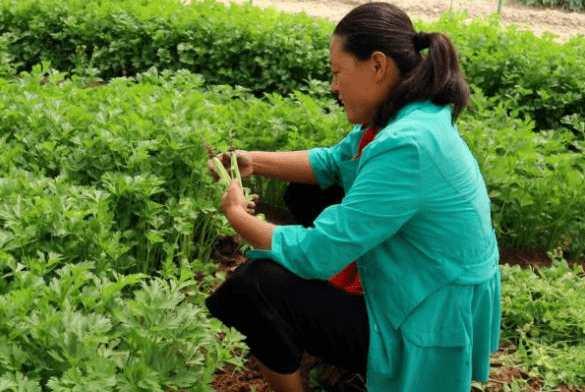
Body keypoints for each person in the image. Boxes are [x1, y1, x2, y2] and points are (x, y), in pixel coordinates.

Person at [205, 2, 501, 392]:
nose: (333, 86)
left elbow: (316, 253)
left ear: (378, 66)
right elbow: (332, 163)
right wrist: (253, 162)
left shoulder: (407, 145)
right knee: (309, 191)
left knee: (252, 287)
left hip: (427, 317)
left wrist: (238, 217)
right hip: (428, 284)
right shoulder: (409, 113)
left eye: (337, 72)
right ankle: (333, 354)